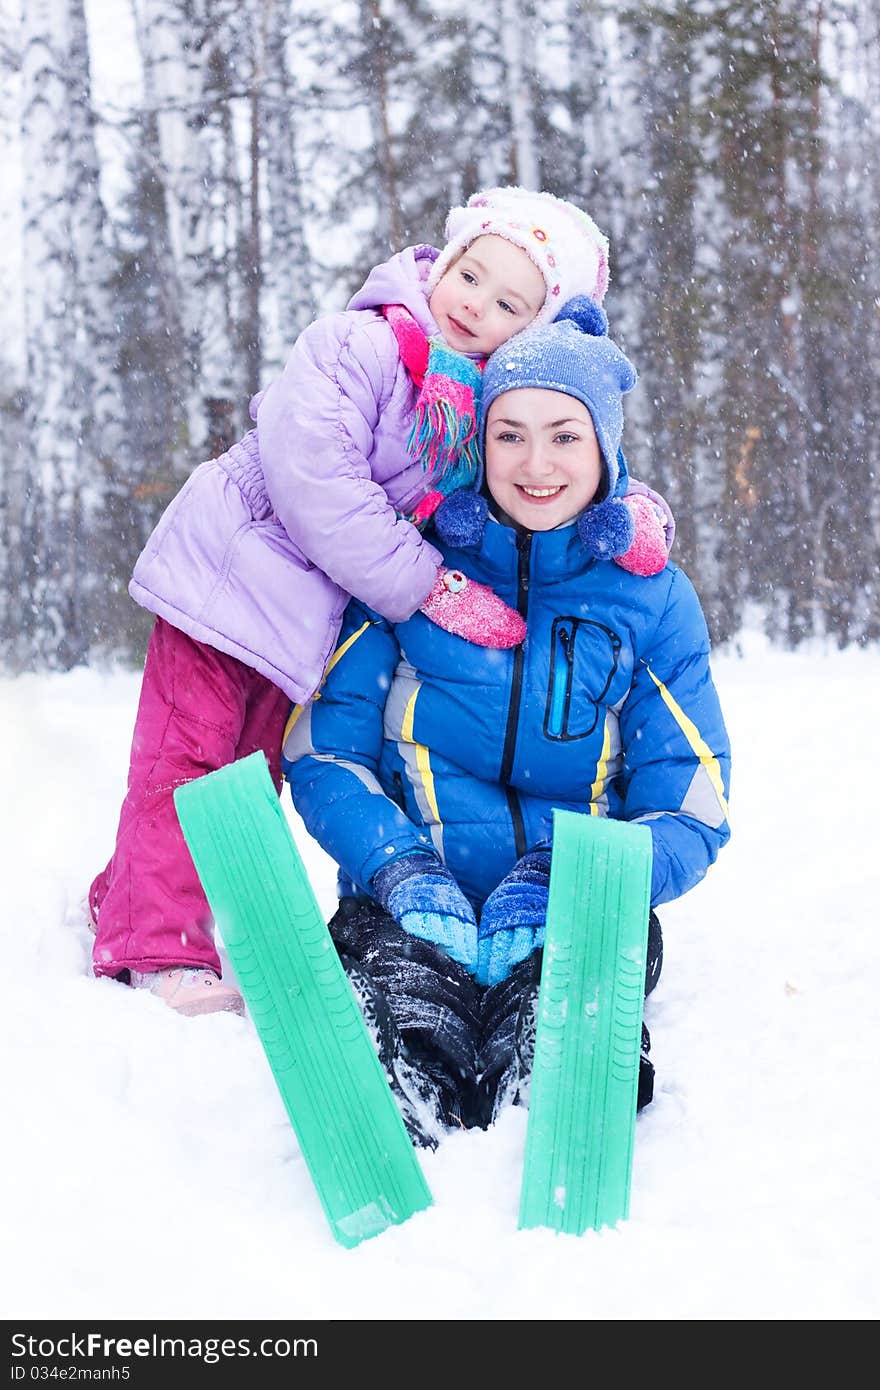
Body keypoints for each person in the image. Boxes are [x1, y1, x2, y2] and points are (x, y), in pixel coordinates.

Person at [89, 186, 675, 1018]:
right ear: (442, 261)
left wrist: (621, 516)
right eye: (471, 275)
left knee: (253, 777)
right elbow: (314, 482)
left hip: (302, 623)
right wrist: (426, 585)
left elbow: (538, 477)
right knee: (189, 767)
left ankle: (131, 895)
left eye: (510, 302)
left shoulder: (476, 408)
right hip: (225, 582)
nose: (477, 305)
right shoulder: (358, 345)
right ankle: (151, 945)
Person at [282, 299, 731, 1146]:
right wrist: (398, 864)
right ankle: (399, 1100)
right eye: (510, 434)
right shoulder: (412, 574)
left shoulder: (651, 600)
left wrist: (575, 876)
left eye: (565, 435)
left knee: (558, 1012)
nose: (537, 464)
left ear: (605, 446)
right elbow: (323, 751)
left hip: (578, 911)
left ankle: (554, 1102)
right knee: (404, 1004)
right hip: (403, 905)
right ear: (478, 444)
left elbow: (694, 800)